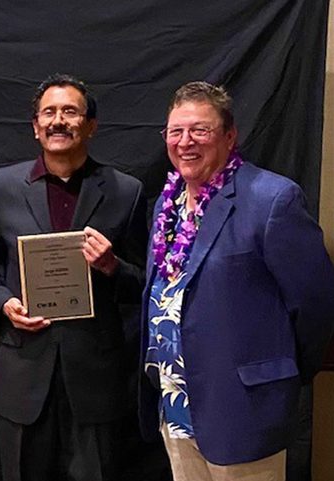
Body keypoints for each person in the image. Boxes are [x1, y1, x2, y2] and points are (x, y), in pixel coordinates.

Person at [139, 81, 334, 481]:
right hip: (176, 408)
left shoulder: (271, 199)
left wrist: (279, 374)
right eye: (175, 131)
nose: (185, 141)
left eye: (200, 130)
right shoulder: (167, 205)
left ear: (229, 136)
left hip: (243, 410)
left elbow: (316, 305)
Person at [0, 73, 148, 481]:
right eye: (48, 112)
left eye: (70, 111)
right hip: (22, 373)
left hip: (96, 381)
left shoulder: (126, 191)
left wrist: (112, 267)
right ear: (35, 127)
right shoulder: (1, 187)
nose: (58, 120)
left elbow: (145, 284)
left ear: (91, 125)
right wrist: (4, 305)